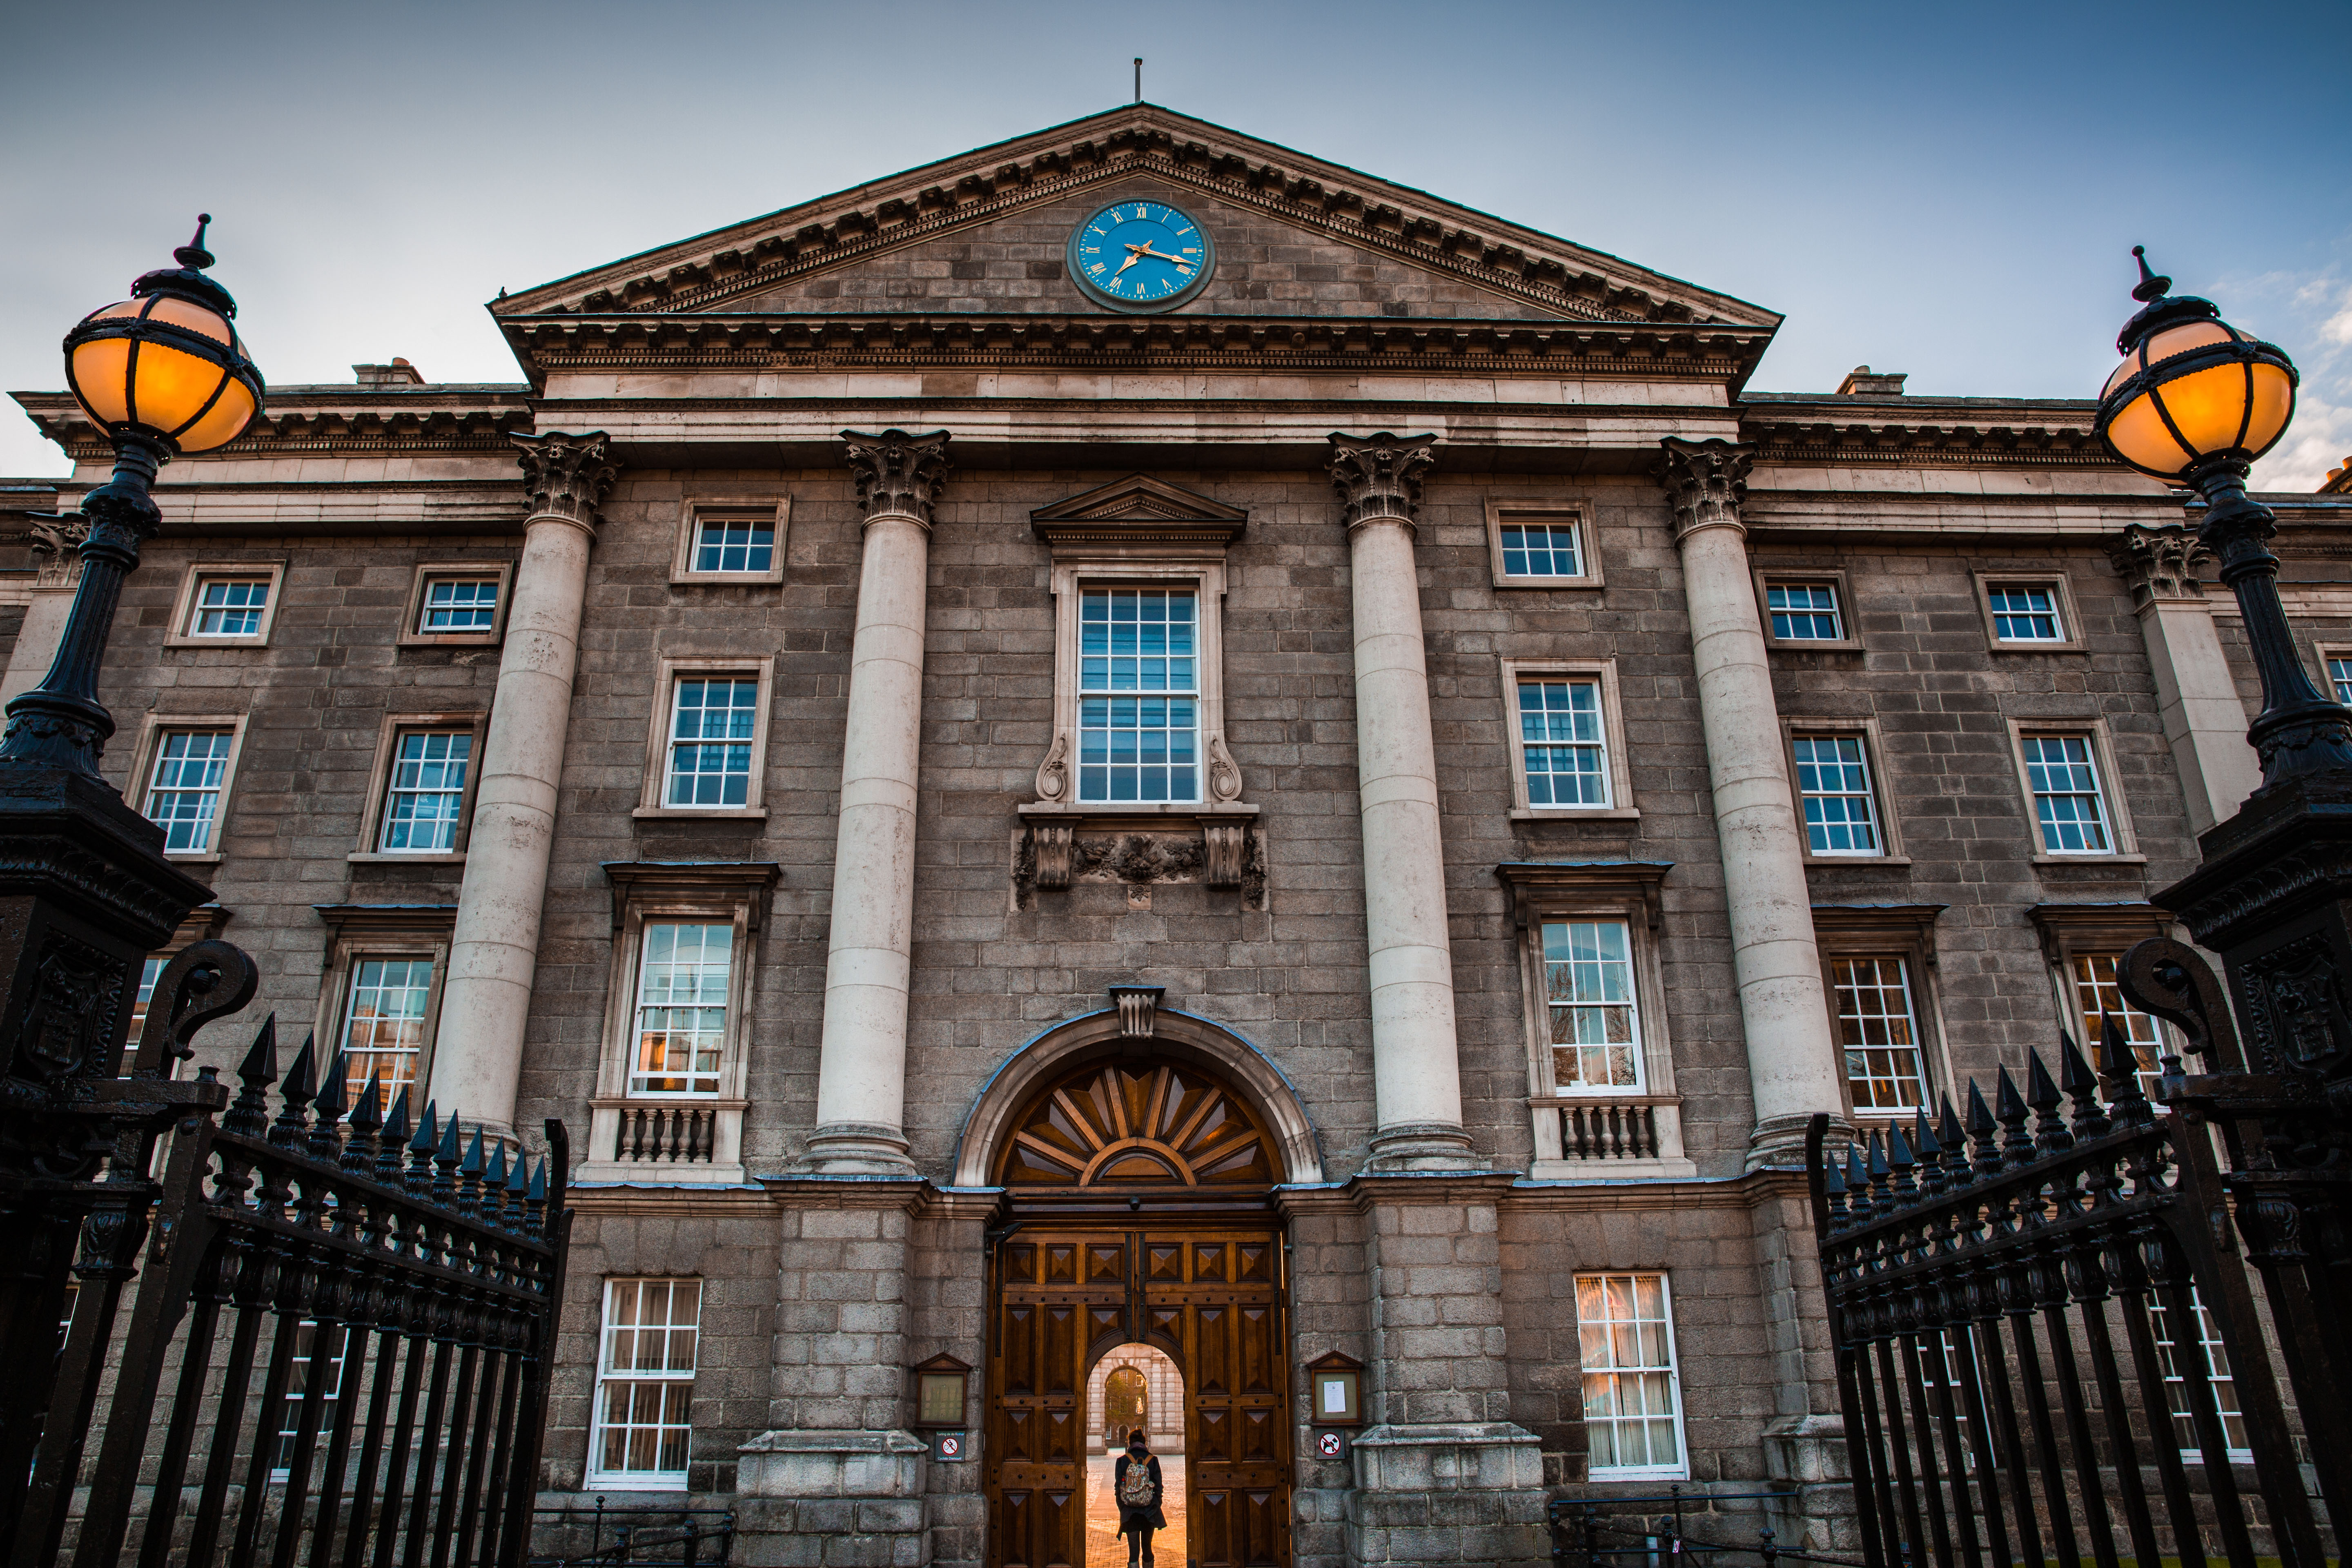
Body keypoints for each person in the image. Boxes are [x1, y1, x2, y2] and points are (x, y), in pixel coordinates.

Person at [1112, 1430, 1165, 1566]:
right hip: (1149, 1512)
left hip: (1130, 1512)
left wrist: (1123, 1507)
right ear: (1144, 1442)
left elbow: (1118, 1488)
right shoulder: (1153, 1460)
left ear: (1130, 1443)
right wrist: (1156, 1504)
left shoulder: (1122, 1461)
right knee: (1147, 1549)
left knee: (1133, 1552)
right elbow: (1159, 1487)